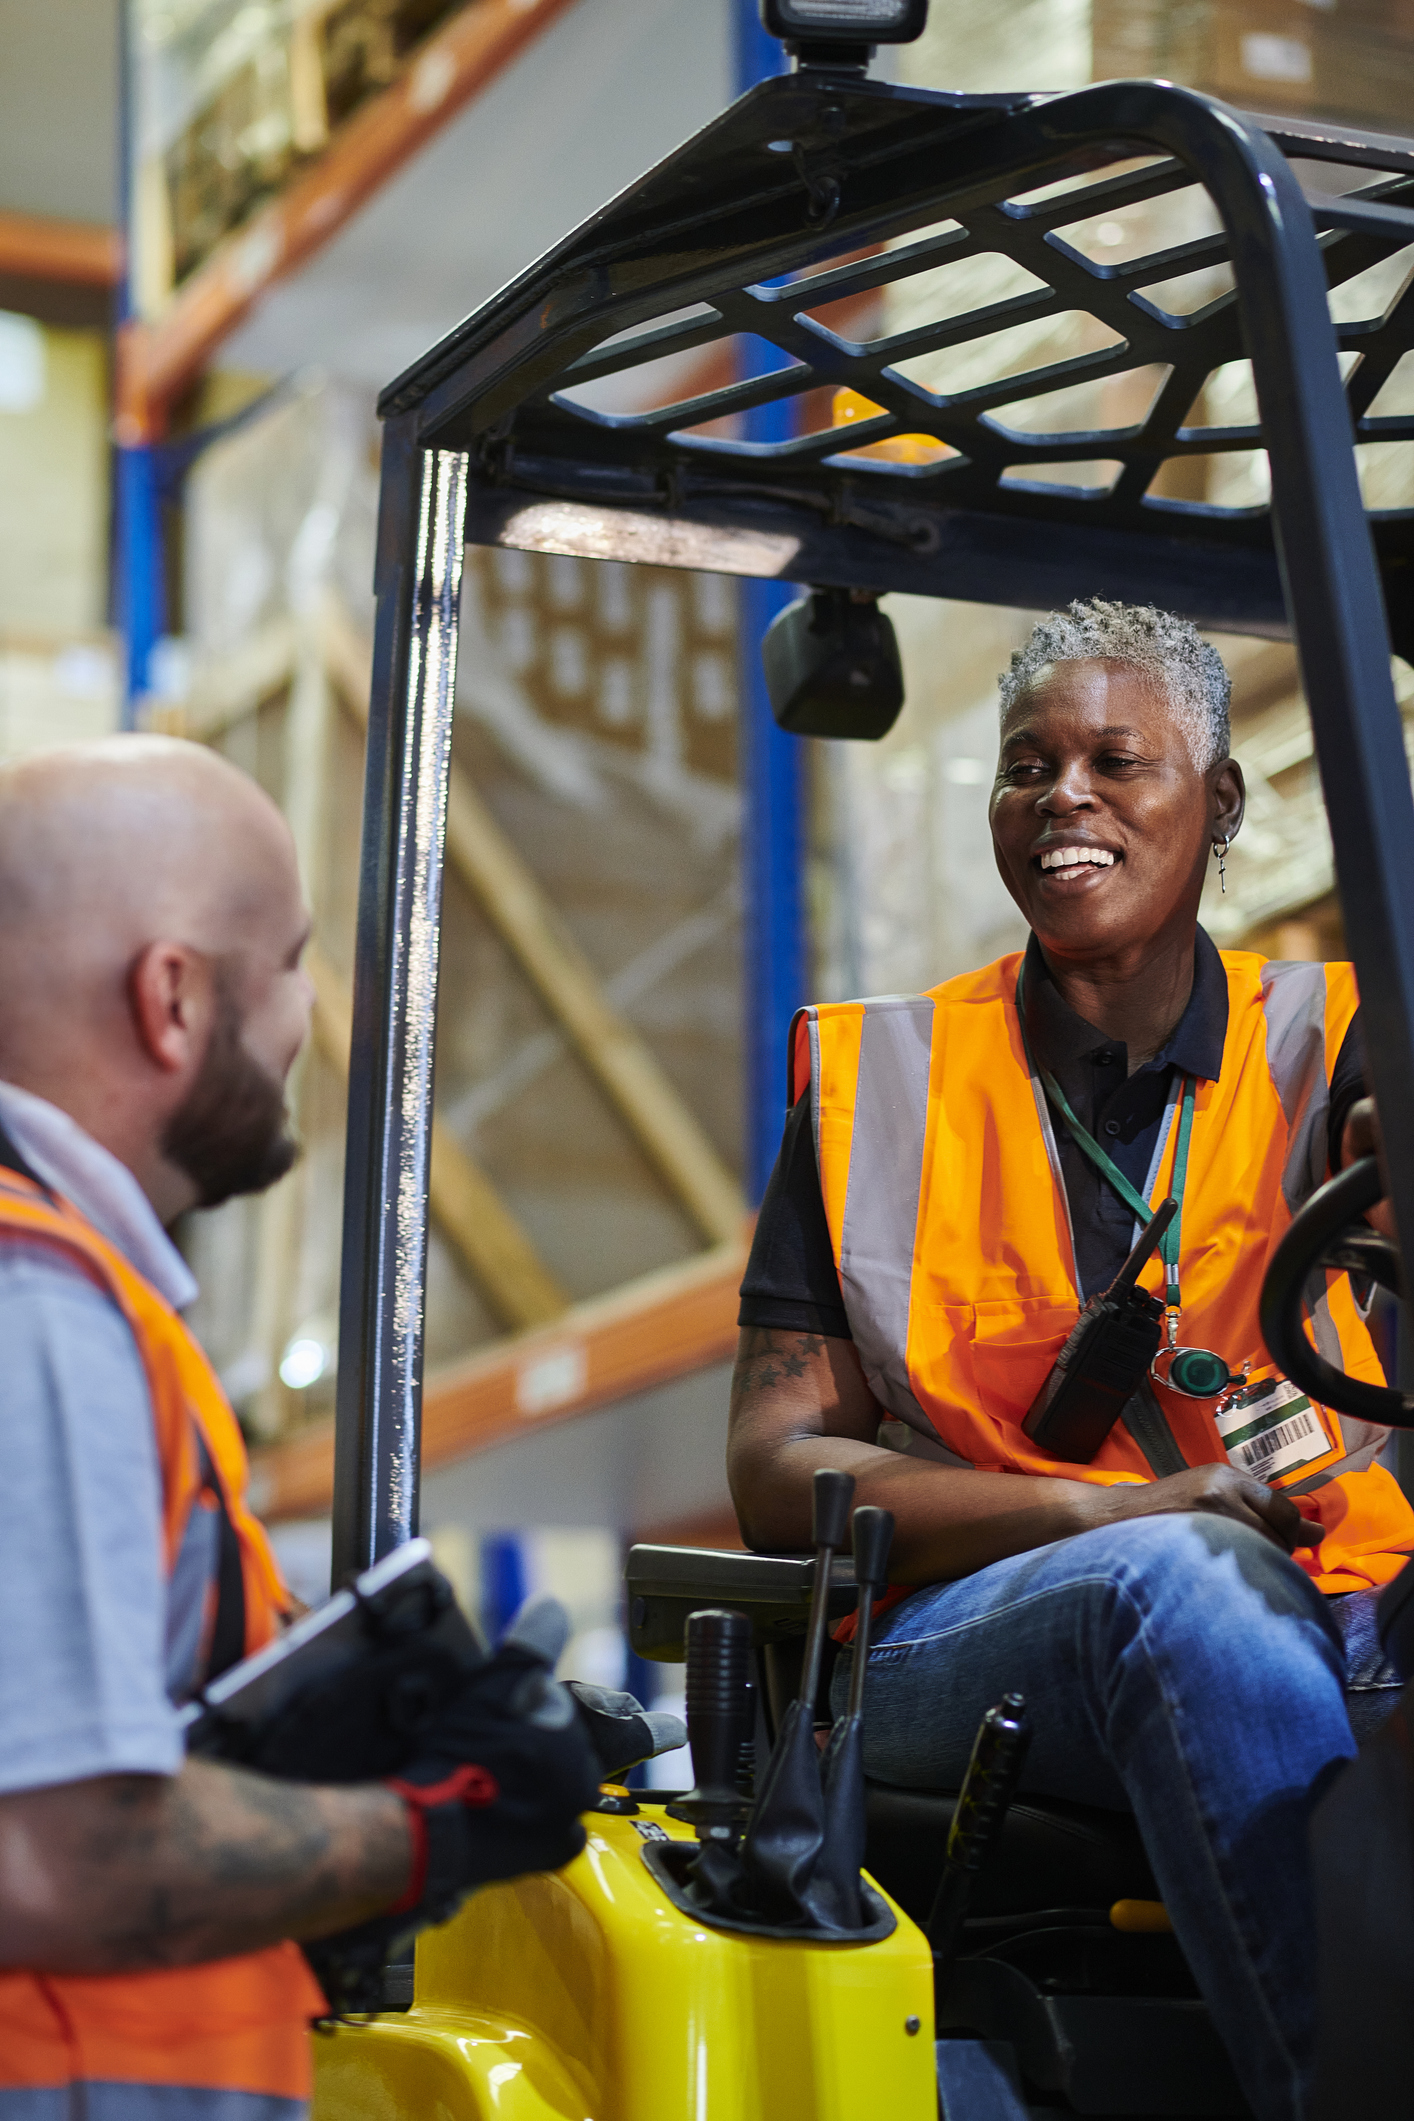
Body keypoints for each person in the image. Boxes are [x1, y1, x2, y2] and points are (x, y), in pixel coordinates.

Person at [728, 600, 1414, 2121]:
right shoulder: (878, 1078)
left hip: (1336, 1592)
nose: (1062, 798)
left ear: (1220, 803)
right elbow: (778, 1470)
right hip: (966, 1629)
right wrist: (1105, 1513)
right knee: (1183, 1585)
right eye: (1026, 766)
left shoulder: (1341, 1038)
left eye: (1117, 761)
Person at [0, 736, 600, 2121]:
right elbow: (55, 1854)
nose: (305, 1018)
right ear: (171, 998)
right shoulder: (42, 1305)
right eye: (290, 963)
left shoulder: (73, 1295)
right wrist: (444, 1815)